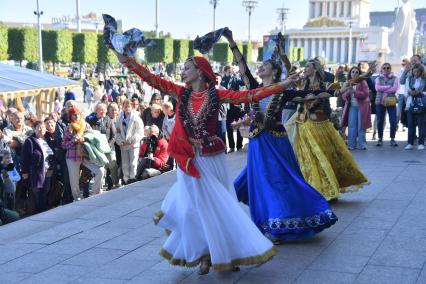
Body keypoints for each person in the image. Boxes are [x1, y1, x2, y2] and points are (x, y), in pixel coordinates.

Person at [116, 51, 299, 274]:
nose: (183, 72)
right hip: (187, 160)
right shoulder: (180, 93)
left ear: (200, 72)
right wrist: (127, 61)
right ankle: (204, 252)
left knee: (215, 206)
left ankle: (221, 251)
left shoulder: (217, 95)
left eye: (187, 68)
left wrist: (283, 85)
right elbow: (151, 78)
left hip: (210, 158)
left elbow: (250, 95)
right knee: (191, 209)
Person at [224, 29, 337, 242]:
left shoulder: (282, 91)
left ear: (274, 72)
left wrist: (334, 92)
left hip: (276, 142)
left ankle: (279, 224)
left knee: (279, 180)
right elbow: (242, 66)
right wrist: (231, 41)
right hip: (258, 143)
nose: (261, 67)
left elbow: (309, 94)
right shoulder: (254, 88)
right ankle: (266, 222)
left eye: (265, 65)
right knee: (259, 181)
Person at [62, 106, 104, 200]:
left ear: (80, 115)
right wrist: (73, 140)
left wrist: (84, 139)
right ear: (70, 116)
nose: (76, 116)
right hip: (72, 157)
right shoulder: (69, 128)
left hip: (86, 155)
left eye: (78, 114)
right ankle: (76, 199)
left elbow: (93, 138)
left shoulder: (86, 125)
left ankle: (95, 194)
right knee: (74, 181)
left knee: (100, 171)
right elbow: (63, 145)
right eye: (74, 115)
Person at [21, 121, 54, 213]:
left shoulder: (48, 139)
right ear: (34, 129)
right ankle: (39, 211)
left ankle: (42, 208)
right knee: (37, 190)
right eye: (39, 127)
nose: (41, 129)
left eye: (43, 127)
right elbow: (25, 157)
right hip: (37, 170)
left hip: (49, 169)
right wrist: (25, 172)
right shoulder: (30, 141)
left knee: (46, 189)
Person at [341, 66, 372, 150]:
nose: (354, 74)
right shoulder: (347, 82)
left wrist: (354, 92)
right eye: (353, 72)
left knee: (361, 126)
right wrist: (348, 93)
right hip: (352, 107)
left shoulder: (363, 82)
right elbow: (343, 96)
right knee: (351, 126)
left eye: (356, 72)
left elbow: (365, 94)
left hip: (362, 107)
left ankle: (362, 144)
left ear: (359, 74)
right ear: (350, 73)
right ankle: (351, 145)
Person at [116, 99, 144, 184]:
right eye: (125, 106)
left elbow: (140, 132)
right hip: (123, 145)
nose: (127, 108)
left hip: (133, 144)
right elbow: (117, 132)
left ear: (131, 107)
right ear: (122, 107)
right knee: (125, 164)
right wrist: (120, 141)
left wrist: (131, 140)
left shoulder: (136, 118)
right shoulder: (119, 118)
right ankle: (126, 179)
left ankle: (133, 178)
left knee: (133, 163)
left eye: (129, 106)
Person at [374, 63, 399, 146]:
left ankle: (392, 139)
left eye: (388, 68)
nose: (386, 69)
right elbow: (377, 88)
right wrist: (388, 86)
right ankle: (380, 139)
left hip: (391, 101)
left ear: (390, 69)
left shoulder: (395, 78)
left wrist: (383, 88)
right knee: (380, 121)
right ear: (381, 69)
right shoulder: (378, 78)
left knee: (393, 121)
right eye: (384, 68)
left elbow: (394, 89)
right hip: (380, 102)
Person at [404, 63, 426, 150]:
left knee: (421, 125)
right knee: (410, 125)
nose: (416, 74)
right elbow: (405, 92)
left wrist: (419, 93)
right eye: (414, 72)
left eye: (418, 72)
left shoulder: (424, 80)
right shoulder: (408, 79)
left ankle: (421, 143)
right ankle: (410, 143)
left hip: (421, 105)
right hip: (410, 104)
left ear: (421, 72)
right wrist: (410, 93)